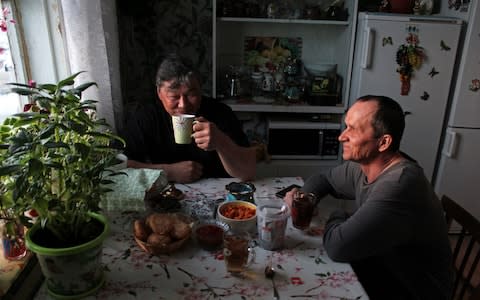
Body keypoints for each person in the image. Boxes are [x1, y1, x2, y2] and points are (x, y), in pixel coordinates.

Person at [284, 95, 453, 299]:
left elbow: (339, 247)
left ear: (383, 142)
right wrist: (304, 199)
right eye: (346, 126)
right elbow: (323, 179)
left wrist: (340, 214)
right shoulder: (364, 165)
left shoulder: (399, 186)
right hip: (380, 261)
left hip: (410, 288)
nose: (341, 137)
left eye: (353, 130)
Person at [122, 54, 256, 183]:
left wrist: (221, 141)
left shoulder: (221, 113)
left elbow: (248, 171)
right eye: (174, 97)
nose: (183, 105)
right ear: (159, 93)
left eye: (191, 94)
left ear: (200, 90)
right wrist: (168, 172)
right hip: (165, 196)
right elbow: (119, 167)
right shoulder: (146, 117)